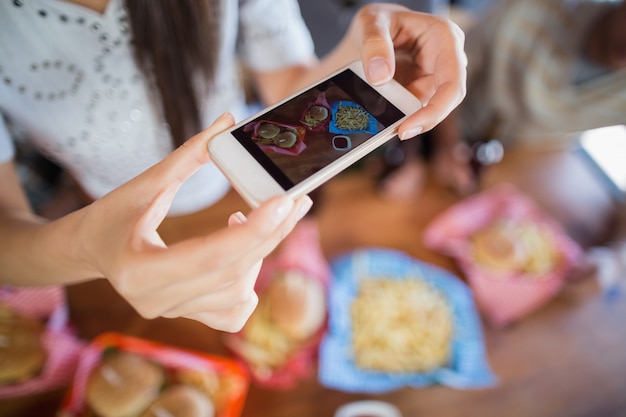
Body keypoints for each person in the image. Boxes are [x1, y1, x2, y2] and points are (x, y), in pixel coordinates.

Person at [0, 0, 467, 332]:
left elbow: (288, 84)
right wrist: (86, 247)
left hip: (238, 184)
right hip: (96, 217)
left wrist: (360, 49)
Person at [380, 0, 626, 198]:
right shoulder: (530, 11)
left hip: (511, 171)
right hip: (434, 128)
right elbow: (442, 71)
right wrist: (444, 147)